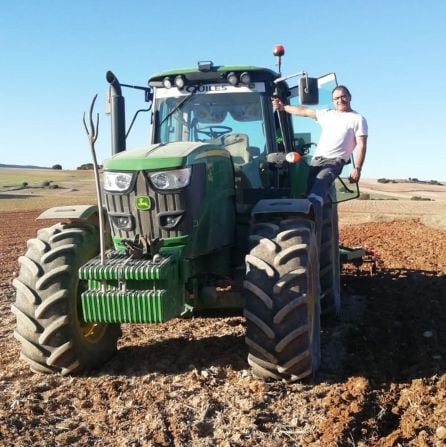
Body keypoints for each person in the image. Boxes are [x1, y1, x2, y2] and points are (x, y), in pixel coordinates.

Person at [272, 85, 368, 208]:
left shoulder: (357, 119)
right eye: (336, 98)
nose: (340, 100)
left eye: (343, 96)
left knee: (321, 182)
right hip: (317, 160)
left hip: (335, 161)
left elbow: (362, 145)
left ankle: (311, 215)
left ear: (349, 97)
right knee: (309, 190)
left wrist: (358, 168)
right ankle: (314, 217)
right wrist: (283, 107)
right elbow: (304, 111)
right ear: (333, 101)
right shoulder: (327, 114)